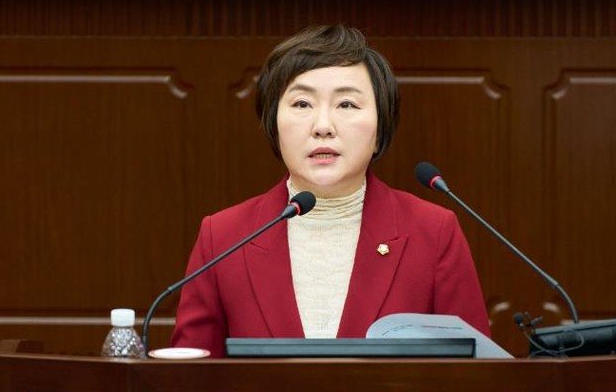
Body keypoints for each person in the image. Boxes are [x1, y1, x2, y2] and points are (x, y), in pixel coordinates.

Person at [171, 25, 490, 357]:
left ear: (380, 128)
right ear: (273, 124)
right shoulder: (223, 238)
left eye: (347, 104)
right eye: (302, 103)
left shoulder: (434, 232)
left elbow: (476, 373)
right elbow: (188, 377)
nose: (323, 126)